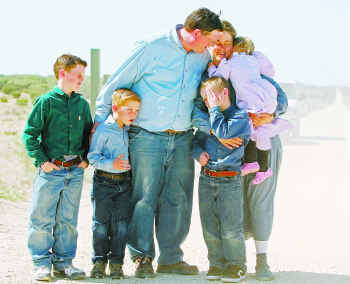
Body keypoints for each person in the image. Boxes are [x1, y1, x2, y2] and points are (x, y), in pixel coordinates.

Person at [92, 7, 223, 278]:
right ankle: (142, 258)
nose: (210, 46)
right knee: (143, 198)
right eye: (209, 40)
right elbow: (115, 84)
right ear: (196, 33)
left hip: (183, 136)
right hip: (146, 137)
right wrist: (99, 124)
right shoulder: (151, 47)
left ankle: (171, 258)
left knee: (178, 199)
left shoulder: (201, 57)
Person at [192, 20, 288, 281]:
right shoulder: (209, 77)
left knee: (260, 199)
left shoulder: (249, 68)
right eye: (217, 42)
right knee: (233, 206)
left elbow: (281, 100)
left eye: (227, 42)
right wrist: (217, 132)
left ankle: (262, 260)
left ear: (235, 44)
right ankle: (233, 262)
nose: (222, 47)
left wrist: (270, 115)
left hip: (261, 143)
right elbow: (197, 113)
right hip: (229, 150)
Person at [22, 54, 93, 281]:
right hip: (51, 170)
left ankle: (64, 263)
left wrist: (85, 159)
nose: (81, 79)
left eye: (83, 75)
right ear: (63, 73)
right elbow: (30, 135)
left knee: (68, 219)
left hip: (75, 172)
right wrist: (42, 161)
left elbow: (88, 135)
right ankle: (42, 264)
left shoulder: (82, 104)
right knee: (42, 217)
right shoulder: (46, 102)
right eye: (77, 75)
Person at [208, 36, 291, 184]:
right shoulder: (254, 62)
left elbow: (218, 77)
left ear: (234, 48)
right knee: (258, 131)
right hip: (263, 100)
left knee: (252, 130)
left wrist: (212, 68)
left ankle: (256, 164)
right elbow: (272, 75)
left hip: (251, 106)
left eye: (227, 44)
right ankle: (260, 166)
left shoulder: (230, 63)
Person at [193, 77, 250, 282]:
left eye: (208, 99)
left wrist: (215, 111)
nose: (207, 104)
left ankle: (236, 265)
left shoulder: (240, 117)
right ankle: (216, 264)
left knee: (231, 227)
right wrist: (198, 153)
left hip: (229, 180)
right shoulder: (209, 118)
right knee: (210, 225)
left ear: (224, 93)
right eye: (205, 100)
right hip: (207, 178)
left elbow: (222, 131)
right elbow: (196, 141)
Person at [88, 89, 141, 279]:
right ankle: (99, 262)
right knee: (100, 224)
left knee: (121, 226)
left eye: (136, 110)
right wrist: (112, 164)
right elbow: (92, 157)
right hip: (103, 182)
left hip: (124, 184)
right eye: (129, 109)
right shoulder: (103, 129)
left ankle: (117, 263)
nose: (134, 114)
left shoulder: (127, 129)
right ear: (116, 108)